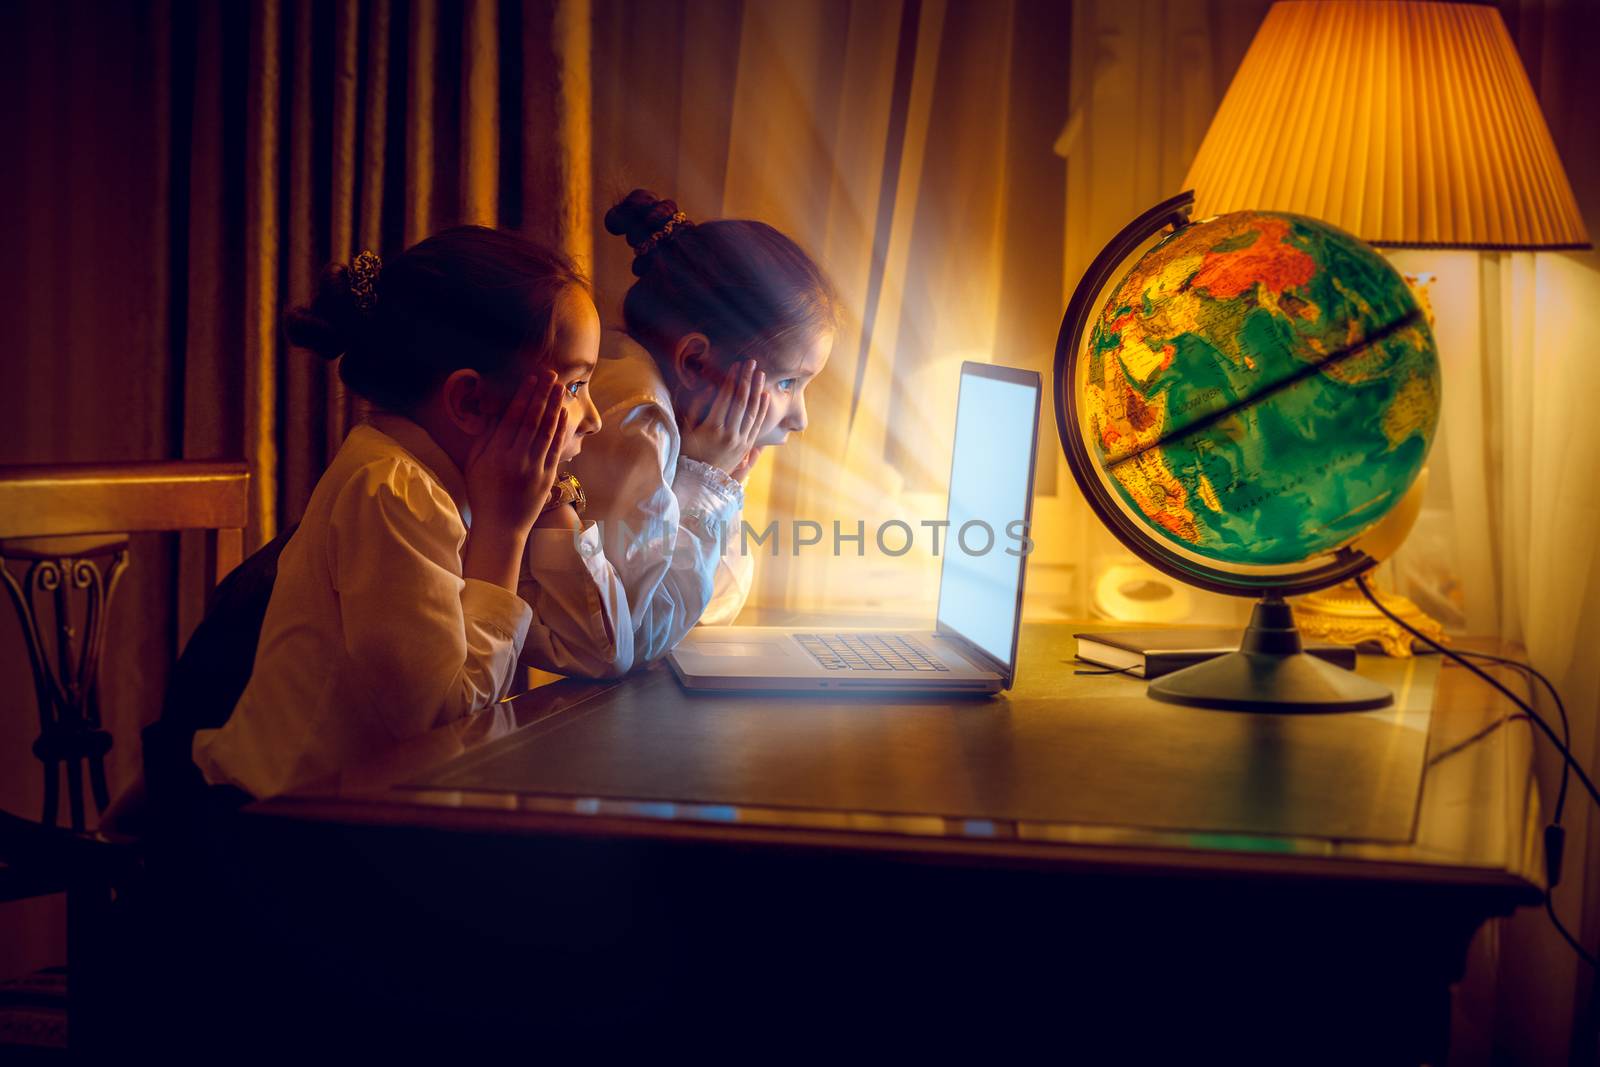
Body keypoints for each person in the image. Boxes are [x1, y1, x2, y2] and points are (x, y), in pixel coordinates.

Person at [188, 226, 631, 800]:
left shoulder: (466, 485)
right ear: (470, 400)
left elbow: (597, 653)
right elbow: (445, 729)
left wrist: (546, 512)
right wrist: (503, 531)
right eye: (574, 387)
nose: (592, 418)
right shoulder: (392, 490)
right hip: (284, 830)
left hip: (364, 816)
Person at [569, 189, 837, 669]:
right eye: (788, 382)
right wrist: (703, 482)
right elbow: (635, 640)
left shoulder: (667, 411)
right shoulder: (641, 420)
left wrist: (721, 479)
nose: (801, 418)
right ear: (694, 361)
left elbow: (710, 611)